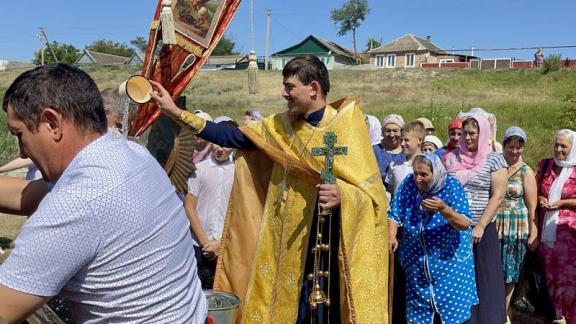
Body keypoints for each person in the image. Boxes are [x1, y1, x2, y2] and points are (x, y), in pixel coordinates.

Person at [151, 55, 389, 323]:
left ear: (313, 88)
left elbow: (374, 196)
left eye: (289, 87)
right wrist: (176, 113)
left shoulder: (347, 126)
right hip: (288, 247)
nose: (283, 93)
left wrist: (344, 195)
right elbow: (233, 136)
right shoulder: (279, 127)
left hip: (333, 247)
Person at [0, 64, 207, 323]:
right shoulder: (129, 154)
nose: (21, 152)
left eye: (20, 135)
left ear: (52, 123)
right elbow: (27, 194)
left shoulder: (78, 202)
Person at [389, 153, 478, 324]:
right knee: (419, 314)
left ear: (435, 173)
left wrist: (444, 209)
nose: (418, 179)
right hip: (417, 263)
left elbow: (465, 222)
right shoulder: (408, 184)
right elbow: (394, 213)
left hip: (449, 264)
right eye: (415, 173)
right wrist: (392, 235)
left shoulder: (451, 186)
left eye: (424, 175)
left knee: (451, 313)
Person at [444, 115, 508, 324]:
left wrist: (480, 226)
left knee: (485, 278)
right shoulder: (452, 158)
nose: (468, 137)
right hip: (454, 228)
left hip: (482, 229)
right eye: (465, 133)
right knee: (458, 279)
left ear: (483, 134)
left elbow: (498, 195)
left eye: (473, 133)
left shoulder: (494, 159)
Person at [185, 119, 236, 289]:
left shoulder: (238, 172)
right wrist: (205, 242)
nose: (220, 149)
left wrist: (220, 244)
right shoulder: (199, 169)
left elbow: (239, 212)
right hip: (199, 244)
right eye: (216, 142)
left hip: (227, 243)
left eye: (226, 144)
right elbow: (189, 207)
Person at [495, 127, 539, 323]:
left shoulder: (525, 171)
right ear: (503, 146)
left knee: (511, 272)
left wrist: (533, 231)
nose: (514, 151)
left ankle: (506, 313)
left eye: (518, 147)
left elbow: (532, 205)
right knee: (497, 269)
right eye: (510, 147)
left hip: (516, 227)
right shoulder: (497, 167)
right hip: (496, 225)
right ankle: (498, 310)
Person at [536, 129, 576, 324]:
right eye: (556, 145)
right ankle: (556, 316)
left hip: (570, 238)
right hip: (547, 236)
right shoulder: (545, 165)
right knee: (551, 278)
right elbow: (535, 192)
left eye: (564, 146)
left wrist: (562, 203)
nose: (558, 149)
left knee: (570, 282)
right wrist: (542, 199)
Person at [385, 121, 425, 196]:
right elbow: (390, 191)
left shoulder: (428, 164)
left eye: (406, 140)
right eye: (401, 140)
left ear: (419, 140)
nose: (402, 144)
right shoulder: (395, 164)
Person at [374, 114, 406, 183]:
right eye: (388, 131)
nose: (391, 135)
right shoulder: (374, 150)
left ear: (402, 132)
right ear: (382, 132)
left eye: (395, 130)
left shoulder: (407, 151)